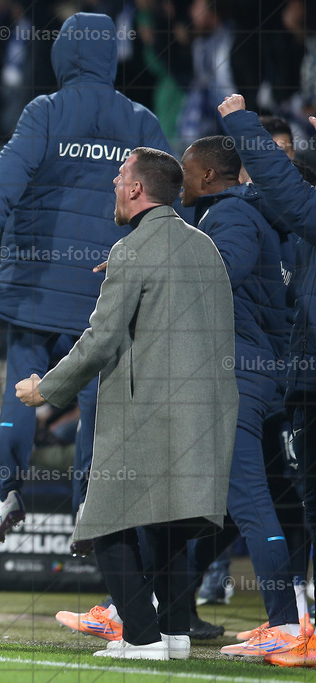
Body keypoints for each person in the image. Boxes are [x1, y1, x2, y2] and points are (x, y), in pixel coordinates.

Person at [0, 12, 174, 548]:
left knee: (22, 389)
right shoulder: (140, 120)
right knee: (98, 398)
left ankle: (6, 494)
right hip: (106, 289)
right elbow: (167, 200)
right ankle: (89, 503)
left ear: (62, 56)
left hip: (36, 285)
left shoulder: (44, 111)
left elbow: (4, 179)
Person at [16, 147, 237, 660]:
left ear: (137, 189)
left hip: (148, 413)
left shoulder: (131, 250)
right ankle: (176, 635)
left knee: (104, 522)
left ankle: (140, 636)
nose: (114, 186)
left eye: (120, 178)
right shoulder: (205, 246)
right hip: (206, 411)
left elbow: (99, 340)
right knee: (167, 525)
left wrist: (45, 389)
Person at [178, 135, 302, 655]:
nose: (181, 180)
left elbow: (219, 273)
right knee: (257, 506)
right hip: (262, 375)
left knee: (248, 503)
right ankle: (174, 603)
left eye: (186, 171)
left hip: (237, 378)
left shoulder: (228, 216)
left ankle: (286, 625)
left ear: (209, 177)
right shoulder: (250, 214)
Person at [220, 92, 316, 667]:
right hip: (298, 379)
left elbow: (287, 196)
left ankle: (293, 623)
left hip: (286, 374)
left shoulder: (275, 211)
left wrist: (240, 124)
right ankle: (298, 625)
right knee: (301, 504)